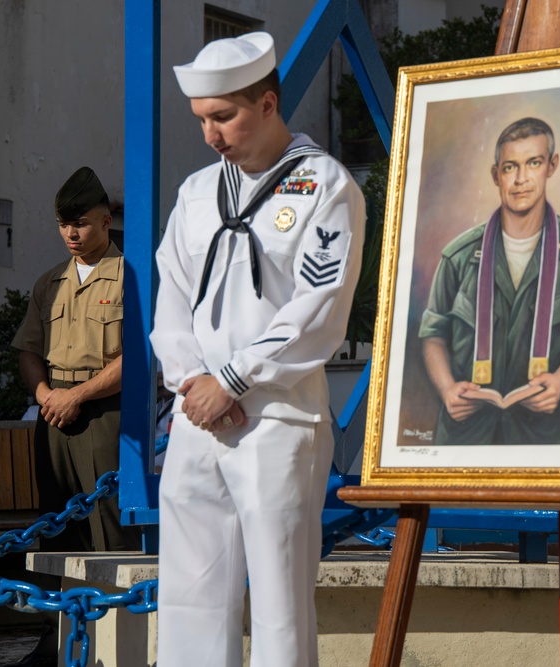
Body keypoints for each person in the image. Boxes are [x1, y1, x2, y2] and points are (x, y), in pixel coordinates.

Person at [150, 32, 365, 667]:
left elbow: (317, 306)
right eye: (202, 120)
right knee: (189, 593)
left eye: (225, 117)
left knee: (279, 603)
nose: (212, 135)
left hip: (277, 417)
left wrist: (234, 380)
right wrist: (192, 382)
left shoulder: (325, 186)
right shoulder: (195, 194)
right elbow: (172, 299)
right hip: (197, 415)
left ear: (268, 104)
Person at [419, 117, 560, 445]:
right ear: (496, 175)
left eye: (533, 163)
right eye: (510, 167)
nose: (521, 179)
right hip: (466, 434)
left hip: (540, 434)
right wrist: (448, 389)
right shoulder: (459, 255)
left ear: (552, 165)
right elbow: (433, 334)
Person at [11, 166, 139, 554]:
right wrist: (46, 394)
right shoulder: (50, 282)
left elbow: (138, 356)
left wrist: (77, 395)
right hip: (52, 414)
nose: (71, 234)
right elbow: (28, 349)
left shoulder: (129, 277)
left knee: (109, 524)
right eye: (63, 225)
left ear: (105, 221)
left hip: (106, 412)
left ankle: (119, 612)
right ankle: (62, 615)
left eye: (81, 224)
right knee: (56, 525)